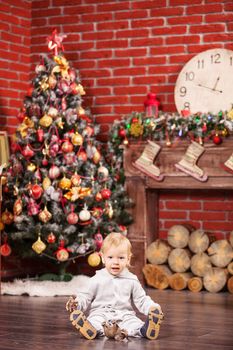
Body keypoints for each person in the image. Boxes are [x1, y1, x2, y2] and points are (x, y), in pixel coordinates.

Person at [66, 232, 164, 341]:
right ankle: (90, 329)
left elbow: (141, 299)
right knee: (94, 321)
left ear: (128, 259)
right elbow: (85, 296)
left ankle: (144, 330)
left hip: (124, 315)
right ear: (103, 258)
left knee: (133, 323)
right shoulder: (96, 279)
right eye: (110, 257)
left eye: (121, 258)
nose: (115, 262)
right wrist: (77, 305)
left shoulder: (131, 279)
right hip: (101, 313)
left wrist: (152, 308)